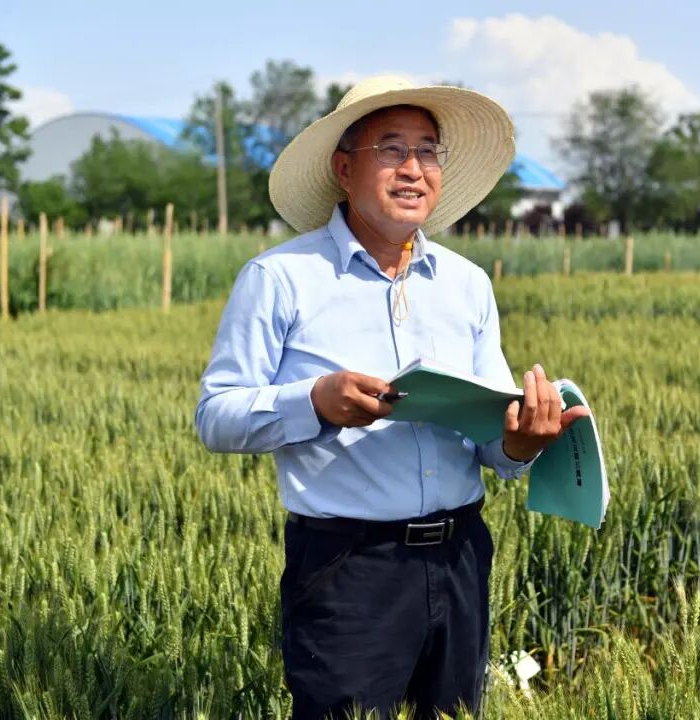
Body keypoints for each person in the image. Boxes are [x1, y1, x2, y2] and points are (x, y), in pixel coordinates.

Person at [195, 76, 589, 719]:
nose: (413, 168)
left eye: (428, 151)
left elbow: (492, 440)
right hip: (348, 566)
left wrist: (521, 442)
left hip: (462, 555)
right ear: (343, 168)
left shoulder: (466, 283)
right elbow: (216, 416)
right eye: (392, 149)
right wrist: (316, 402)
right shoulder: (281, 278)